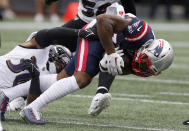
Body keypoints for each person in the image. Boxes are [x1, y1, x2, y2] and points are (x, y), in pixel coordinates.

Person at [10, 13, 173, 125]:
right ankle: (31, 108)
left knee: (61, 80)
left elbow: (122, 66)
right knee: (81, 79)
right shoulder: (140, 31)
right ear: (147, 48)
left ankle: (8, 94)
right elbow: (103, 20)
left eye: (147, 68)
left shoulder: (145, 62)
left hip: (108, 43)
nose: (142, 67)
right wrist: (110, 53)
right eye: (144, 62)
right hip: (98, 32)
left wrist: (105, 65)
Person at [0, 32, 72, 120]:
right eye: (61, 65)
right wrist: (77, 33)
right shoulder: (42, 49)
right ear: (53, 57)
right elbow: (46, 34)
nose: (61, 69)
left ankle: (18, 99)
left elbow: (30, 104)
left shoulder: (50, 79)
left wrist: (35, 77)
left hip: (4, 88)